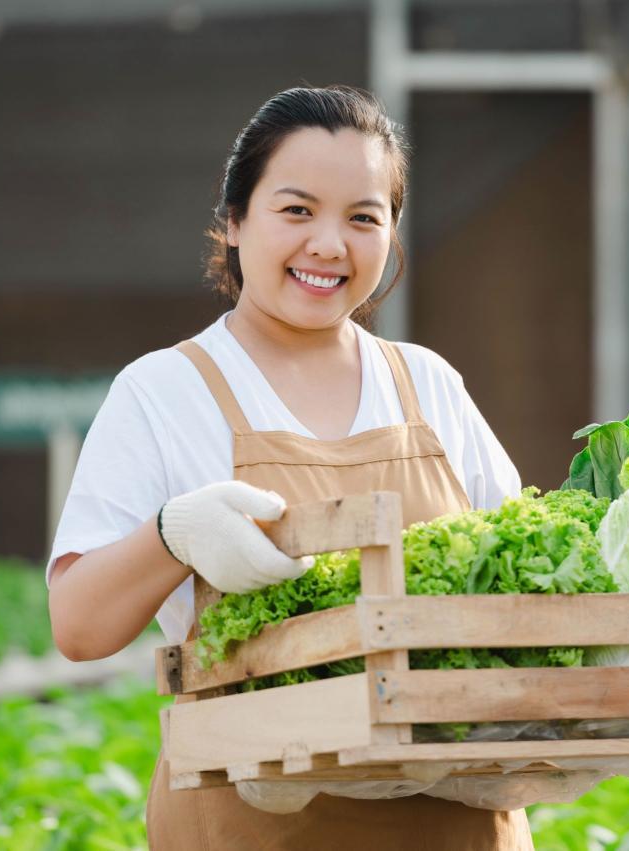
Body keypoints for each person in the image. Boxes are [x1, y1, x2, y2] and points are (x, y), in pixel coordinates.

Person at [45, 85, 534, 850]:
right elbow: (76, 625)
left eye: (364, 218)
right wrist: (173, 535)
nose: (330, 245)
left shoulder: (428, 384)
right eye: (298, 210)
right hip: (252, 828)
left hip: (458, 824)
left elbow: (532, 597)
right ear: (235, 221)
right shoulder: (164, 392)